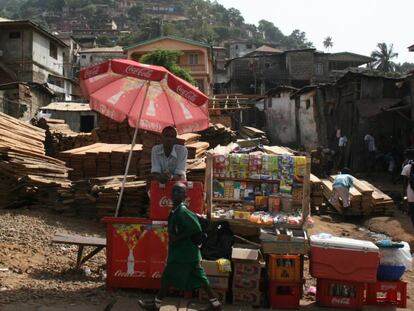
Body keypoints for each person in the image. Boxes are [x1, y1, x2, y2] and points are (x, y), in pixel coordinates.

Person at [139, 183, 222, 311]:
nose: (175, 194)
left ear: (185, 196)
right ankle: (215, 304)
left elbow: (196, 228)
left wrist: (179, 237)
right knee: (200, 279)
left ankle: (156, 304)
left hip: (184, 253)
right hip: (185, 253)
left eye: (179, 192)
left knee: (168, 277)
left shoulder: (182, 211)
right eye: (174, 192)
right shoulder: (175, 210)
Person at [401, 151, 414, 226]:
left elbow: (404, 185)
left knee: (412, 213)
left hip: (411, 196)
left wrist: (404, 198)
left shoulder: (406, 167)